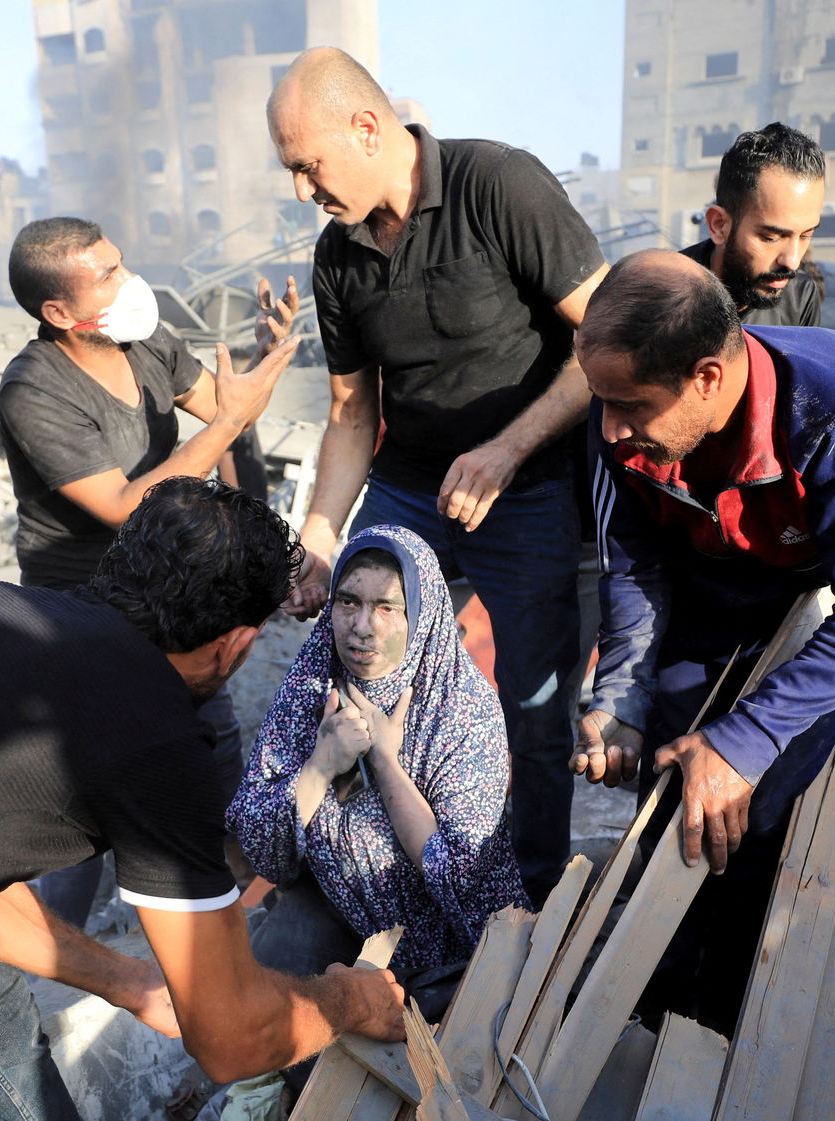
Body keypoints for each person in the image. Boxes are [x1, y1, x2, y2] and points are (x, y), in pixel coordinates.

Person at [0, 478, 405, 1119]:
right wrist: (349, 1000)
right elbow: (233, 1042)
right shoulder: (152, 736)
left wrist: (128, 982)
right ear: (235, 645)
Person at [266, 48, 609, 903]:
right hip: (411, 490)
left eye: (307, 166)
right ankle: (368, 875)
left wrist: (508, 448)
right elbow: (351, 412)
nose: (302, 190)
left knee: (534, 709)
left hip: (526, 491)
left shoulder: (500, 186)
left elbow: (604, 343)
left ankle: (522, 901)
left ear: (367, 127)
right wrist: (317, 536)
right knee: (355, 672)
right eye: (292, 172)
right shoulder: (338, 257)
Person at [572, 250, 835, 1030]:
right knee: (670, 801)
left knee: (755, 821)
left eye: (630, 406)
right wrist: (621, 692)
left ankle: (728, 1030)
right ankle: (648, 1018)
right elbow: (630, 564)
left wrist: (748, 738)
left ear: (706, 379)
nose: (609, 427)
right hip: (699, 591)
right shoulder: (616, 423)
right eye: (602, 402)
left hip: (806, 613)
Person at [0, 216, 302, 923]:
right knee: (86, 784)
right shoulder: (34, 391)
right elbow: (124, 506)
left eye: (120, 263)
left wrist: (254, 373)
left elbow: (221, 408)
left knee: (211, 740)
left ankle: (235, 896)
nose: (128, 282)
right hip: (80, 608)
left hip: (172, 588)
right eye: (105, 276)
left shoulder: (144, 340)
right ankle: (59, 943)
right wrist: (228, 422)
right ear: (59, 312)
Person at [230, 525, 528, 988]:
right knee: (262, 1008)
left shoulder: (461, 708)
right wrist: (320, 766)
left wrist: (386, 763)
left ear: (422, 616)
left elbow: (463, 875)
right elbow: (259, 843)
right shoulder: (314, 678)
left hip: (439, 940)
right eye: (348, 602)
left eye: (387, 607)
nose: (363, 627)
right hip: (333, 901)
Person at [679, 122, 824, 326]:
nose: (792, 262)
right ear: (719, 225)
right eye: (771, 237)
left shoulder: (799, 296)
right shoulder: (662, 296)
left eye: (805, 236)